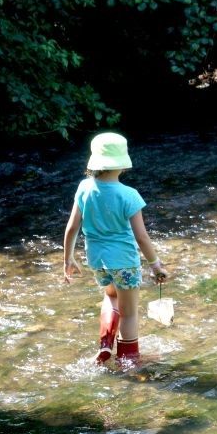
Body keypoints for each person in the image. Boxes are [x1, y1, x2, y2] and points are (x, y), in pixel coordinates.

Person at [63, 132, 168, 368]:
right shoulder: (129, 195)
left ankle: (105, 345)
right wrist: (155, 264)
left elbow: (72, 228)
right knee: (129, 312)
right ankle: (128, 361)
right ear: (122, 163)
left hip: (97, 260)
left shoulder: (84, 188)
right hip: (124, 262)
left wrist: (68, 259)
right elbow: (141, 236)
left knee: (111, 297)